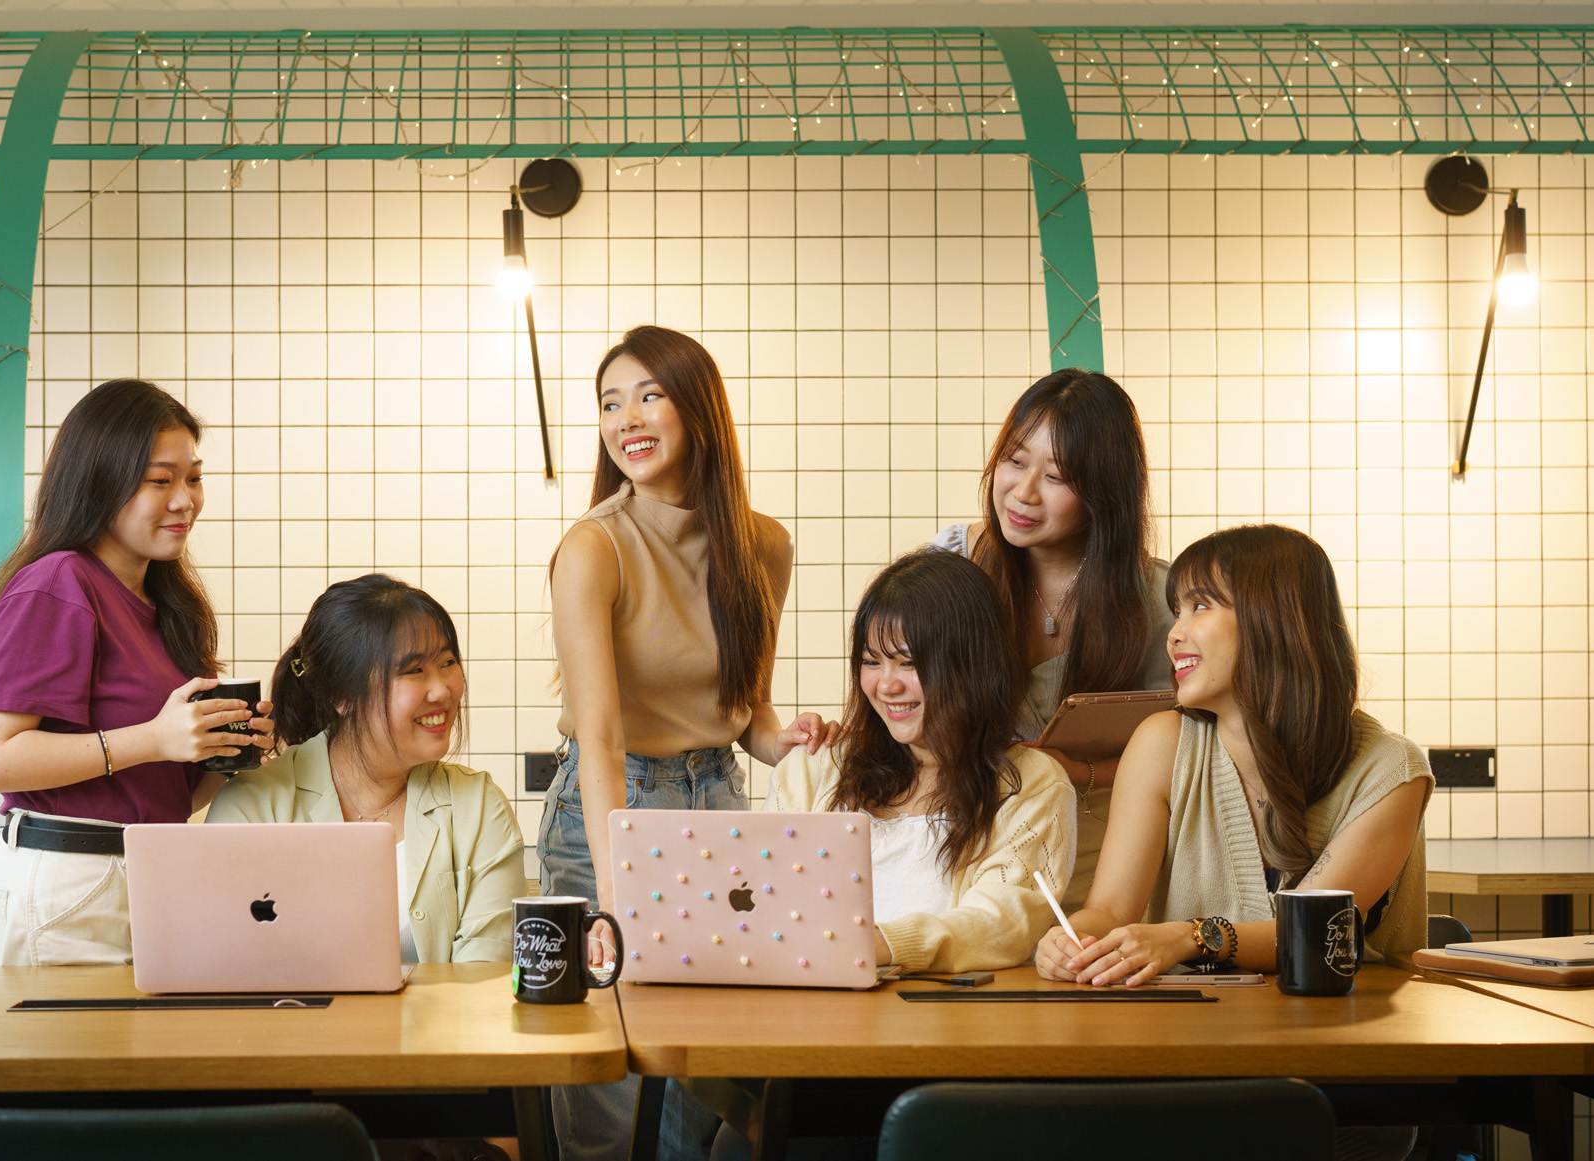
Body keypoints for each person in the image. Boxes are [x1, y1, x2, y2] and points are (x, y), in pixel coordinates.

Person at [541, 324, 835, 1161]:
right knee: (607, 1083)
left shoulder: (763, 544)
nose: (624, 417)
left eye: (647, 394)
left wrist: (792, 739)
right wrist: (615, 885)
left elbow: (749, 712)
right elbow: (598, 736)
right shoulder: (592, 548)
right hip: (607, 811)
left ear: (698, 409)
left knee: (704, 1069)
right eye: (608, 402)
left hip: (715, 806)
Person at [0, 379, 273, 967]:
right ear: (100, 481)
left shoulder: (166, 607)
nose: (186, 500)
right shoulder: (58, 584)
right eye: (161, 481)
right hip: (65, 887)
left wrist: (225, 752)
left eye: (194, 478)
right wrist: (154, 737)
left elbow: (160, 789)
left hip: (146, 879)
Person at [1033, 523, 1432, 984]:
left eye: (1199, 606)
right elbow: (1108, 911)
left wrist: (1192, 937)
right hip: (1199, 1034)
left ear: (1275, 617)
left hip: (1352, 1036)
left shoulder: (1388, 770)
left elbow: (1312, 932)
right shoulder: (1160, 745)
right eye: (1175, 611)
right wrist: (1071, 941)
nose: (1173, 634)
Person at [767, 548, 1076, 971]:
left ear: (973, 664)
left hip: (947, 1024)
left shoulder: (1032, 784)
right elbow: (763, 898)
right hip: (813, 1012)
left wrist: (884, 945)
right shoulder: (816, 765)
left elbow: (1002, 924)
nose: (887, 685)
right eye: (871, 662)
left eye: (909, 663)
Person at [931, 369, 1171, 907]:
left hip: (1112, 864)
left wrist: (1073, 771)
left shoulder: (1160, 600)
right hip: (968, 849)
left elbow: (1194, 755)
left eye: (1057, 477)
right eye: (1014, 461)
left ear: (1104, 492)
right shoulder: (951, 567)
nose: (1023, 491)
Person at [206, 573, 525, 964]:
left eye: (447, 662)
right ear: (342, 694)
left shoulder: (478, 806)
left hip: (440, 1026)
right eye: (414, 671)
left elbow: (485, 972)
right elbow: (228, 963)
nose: (442, 689)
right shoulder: (253, 804)